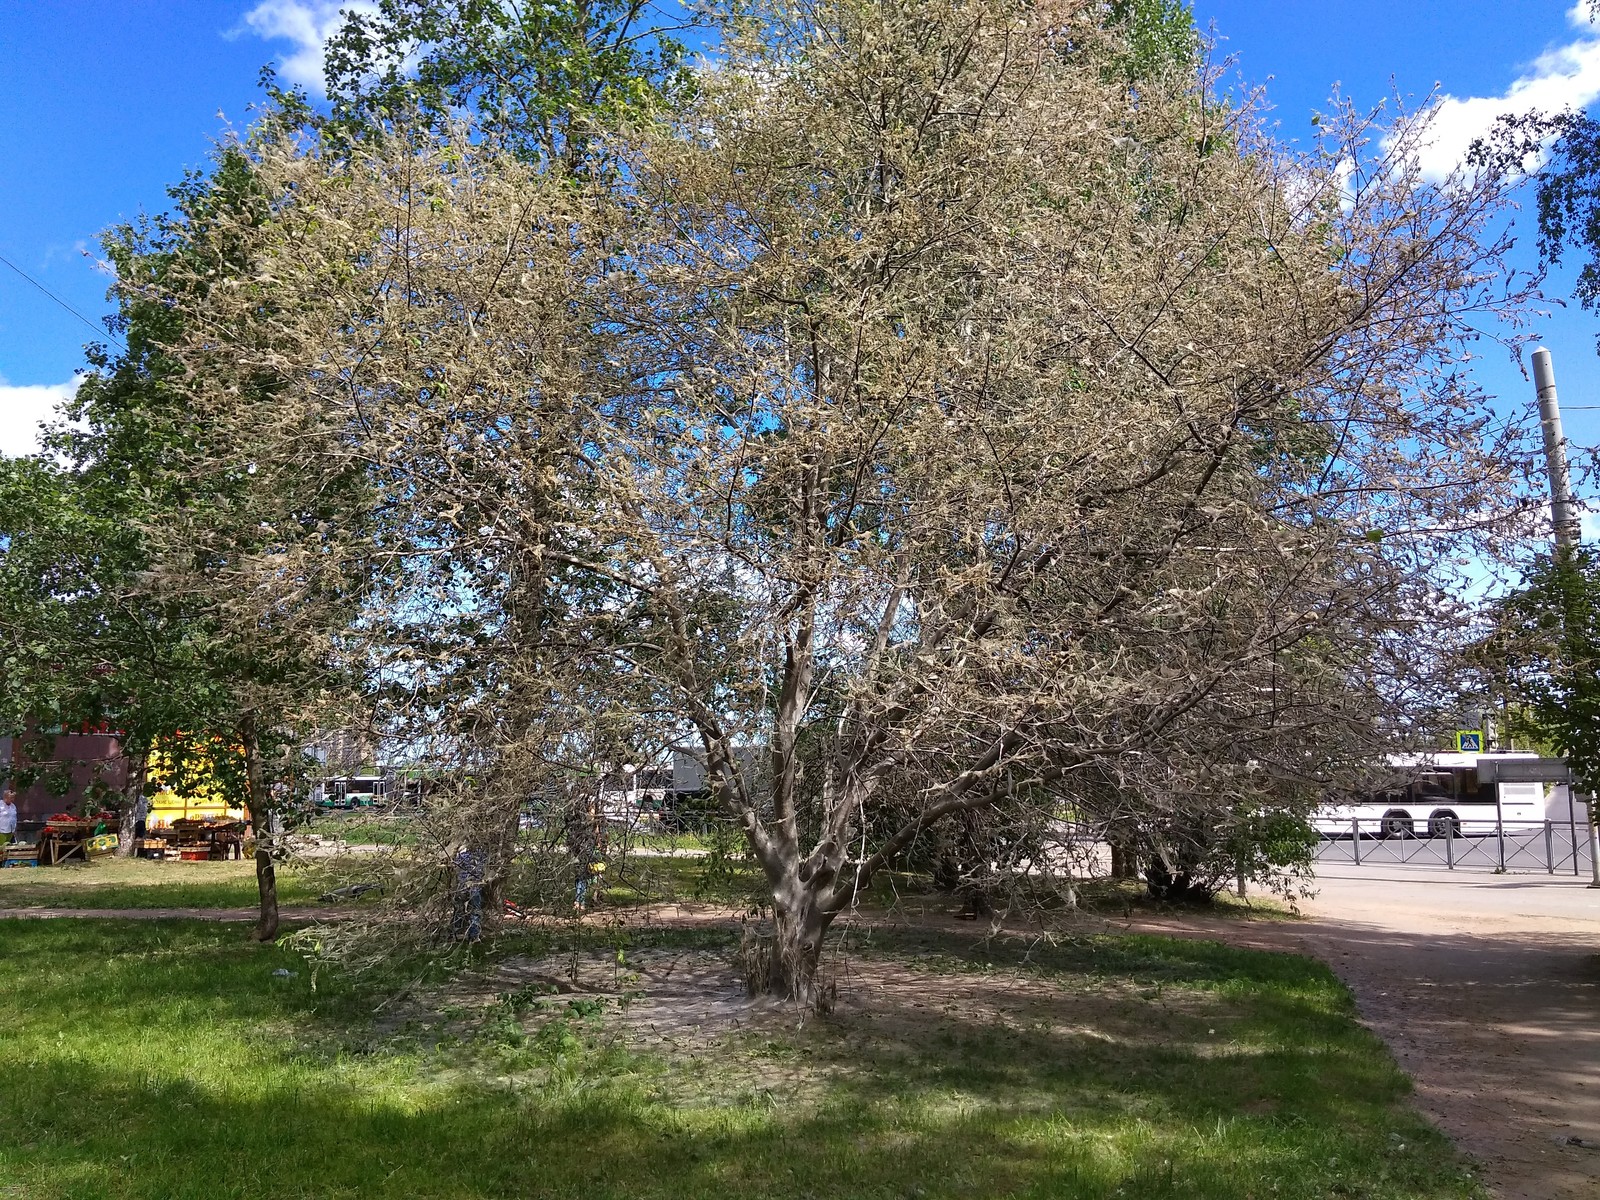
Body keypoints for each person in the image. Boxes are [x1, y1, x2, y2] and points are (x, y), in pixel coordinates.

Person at [451, 844, 485, 942]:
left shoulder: (462, 854)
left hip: (462, 887)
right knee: (475, 911)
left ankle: (458, 933)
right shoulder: (482, 854)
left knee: (459, 911)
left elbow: (455, 866)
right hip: (475, 887)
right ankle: (474, 935)